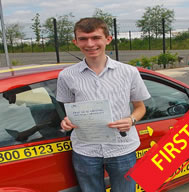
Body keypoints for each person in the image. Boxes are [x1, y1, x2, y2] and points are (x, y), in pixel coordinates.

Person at [56, 17, 150, 192]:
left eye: (96, 37)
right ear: (75, 42)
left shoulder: (129, 72)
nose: (90, 44)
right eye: (83, 39)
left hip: (122, 148)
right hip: (85, 151)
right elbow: (68, 111)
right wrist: (66, 121)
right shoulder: (66, 76)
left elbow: (140, 107)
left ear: (108, 39)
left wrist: (131, 119)